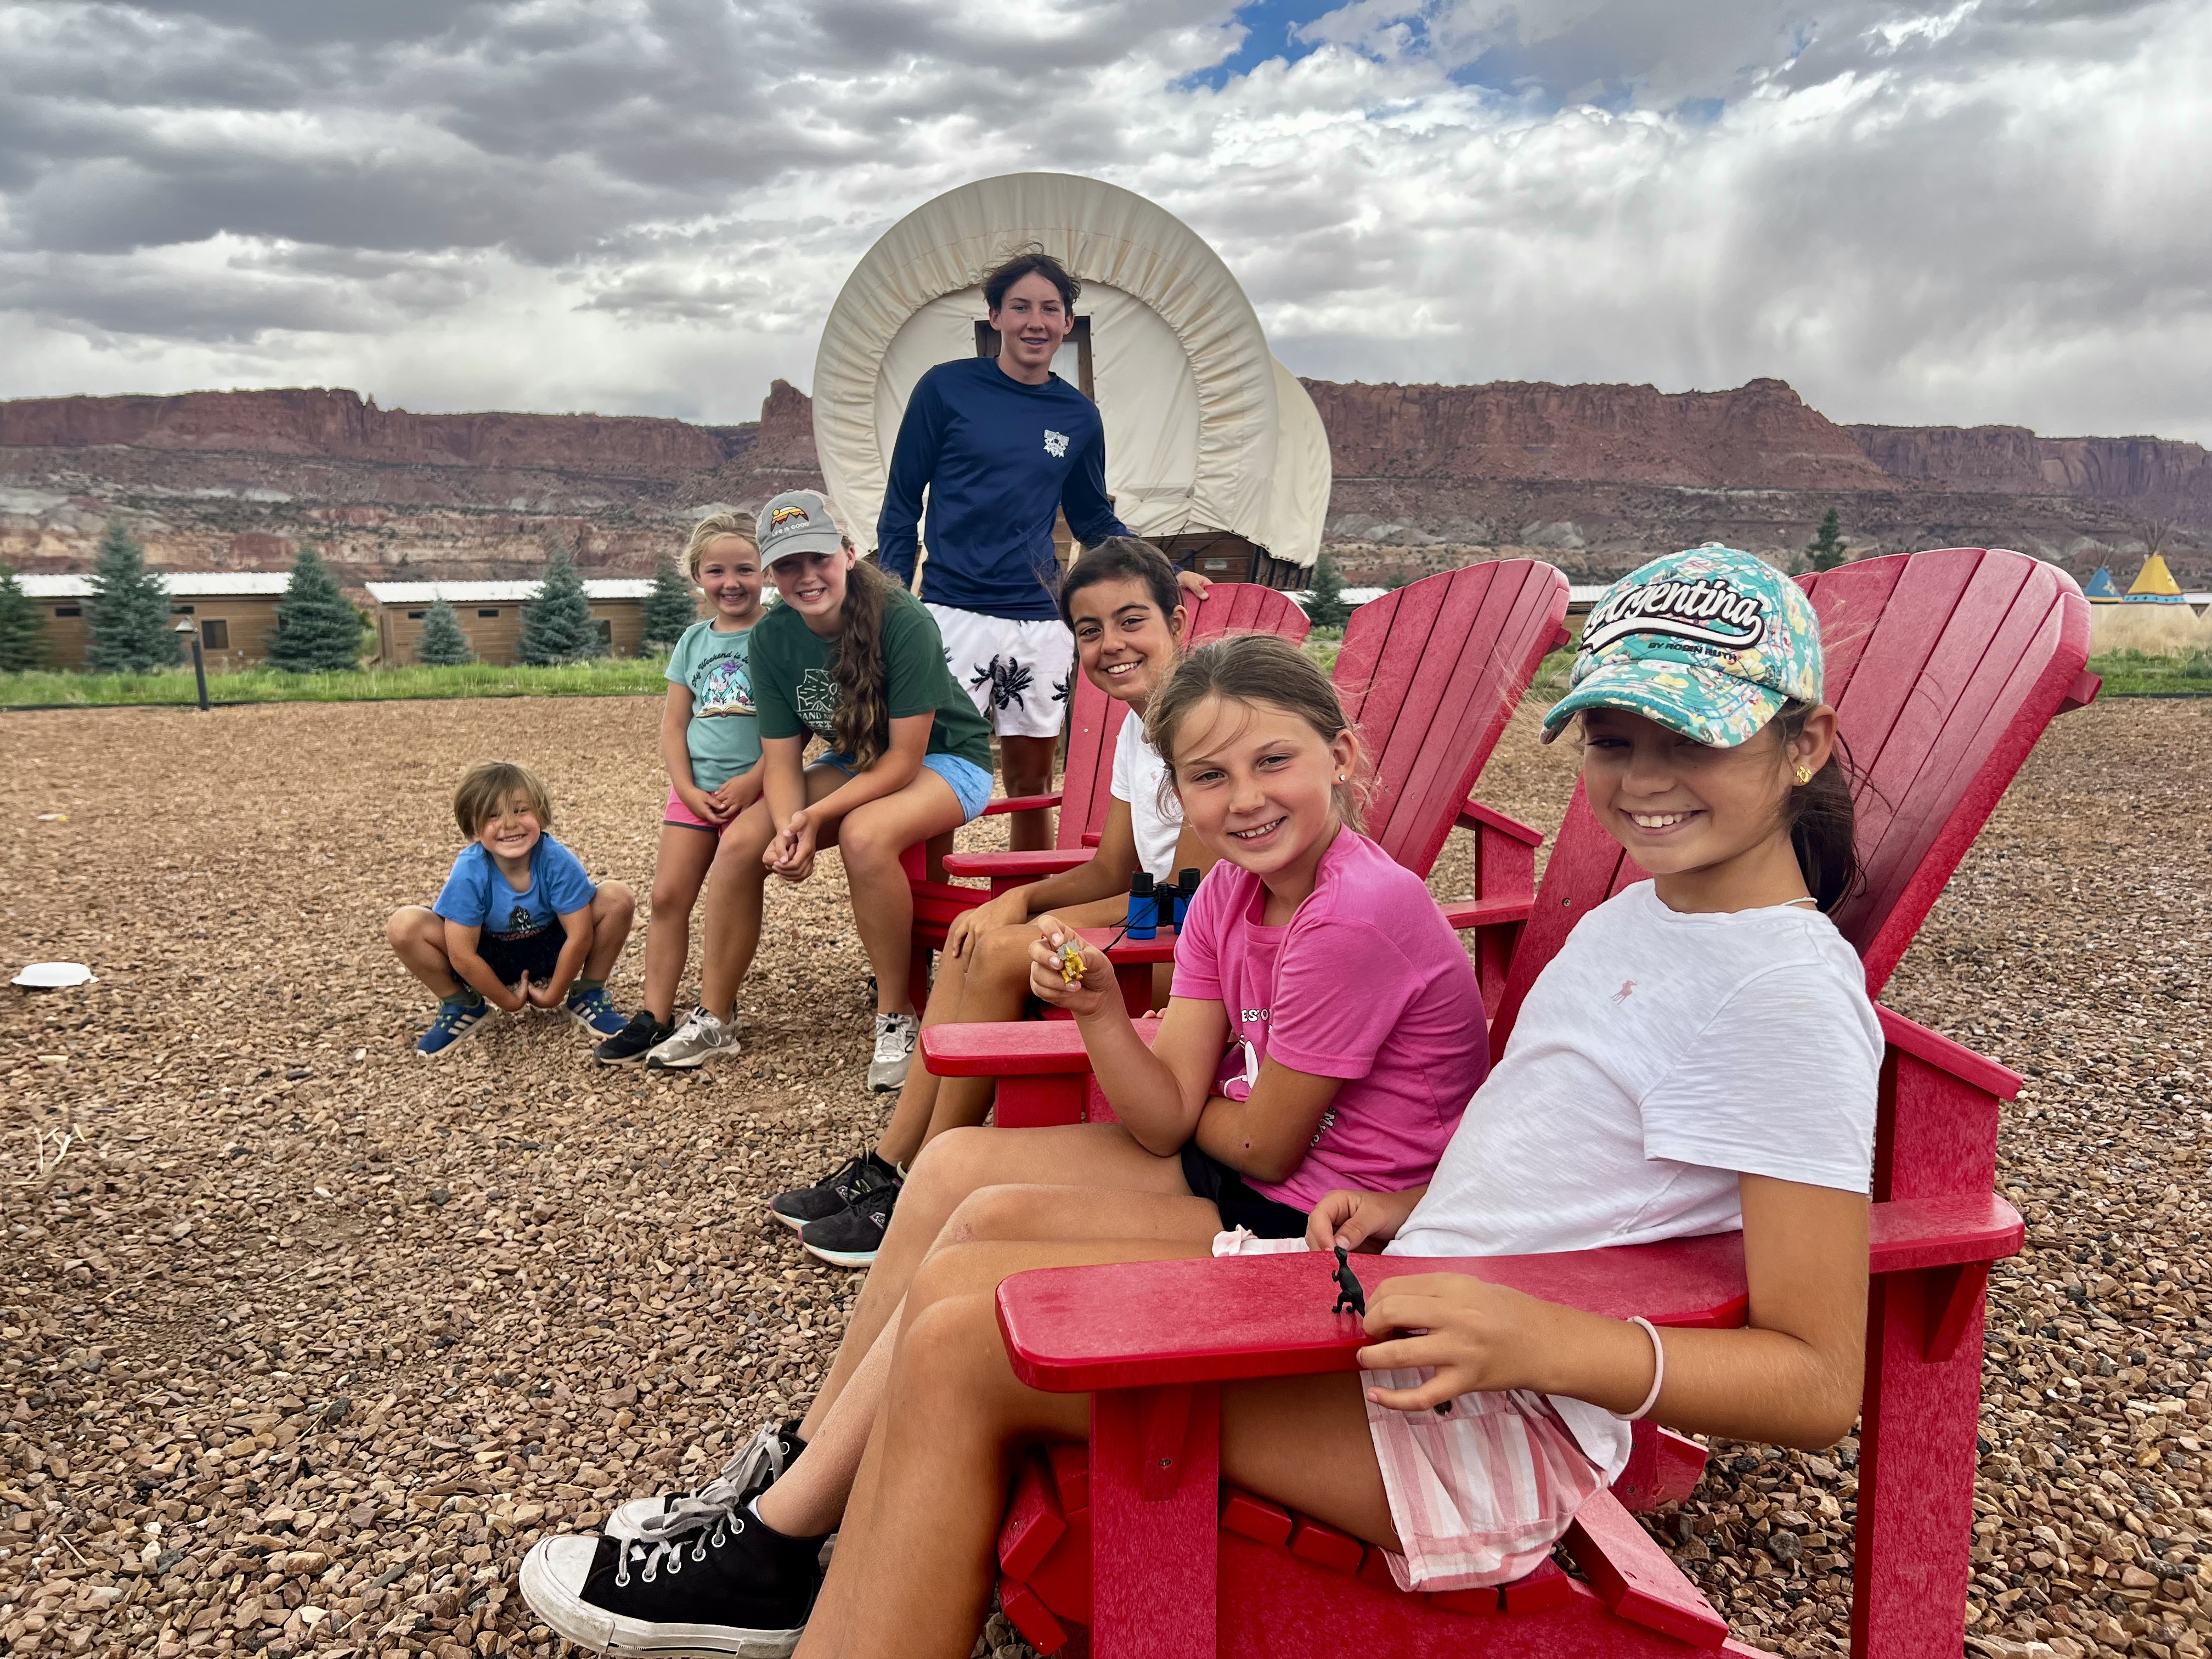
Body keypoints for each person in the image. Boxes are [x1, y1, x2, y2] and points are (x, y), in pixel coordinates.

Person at [518, 632, 1493, 1653]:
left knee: (972, 1275)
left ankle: (771, 1539)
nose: (1243, 796)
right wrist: (1106, 1014)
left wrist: (1184, 1076)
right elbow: (1167, 1116)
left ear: (1340, 754)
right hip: (1249, 1180)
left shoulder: (1357, 911)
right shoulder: (1232, 894)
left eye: (1273, 760)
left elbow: (1261, 1145)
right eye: (1208, 775)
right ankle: (795, 1476)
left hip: (1322, 1238)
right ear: (1177, 793)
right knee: (952, 1169)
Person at [769, 537, 1214, 1267]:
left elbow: (1189, 906)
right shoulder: (1143, 726)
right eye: (1090, 631)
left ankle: (921, 1185)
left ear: (1177, 623)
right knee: (982, 934)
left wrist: (1034, 919)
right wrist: (1018, 901)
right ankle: (893, 1164)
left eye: (1132, 621)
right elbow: (1112, 866)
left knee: (1003, 948)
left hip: (1204, 968)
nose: (1111, 645)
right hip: (1160, 929)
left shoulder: (1204, 729)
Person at [644, 490, 996, 1092]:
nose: (806, 576)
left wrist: (817, 817)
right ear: (773, 574)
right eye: (787, 565)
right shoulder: (773, 637)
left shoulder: (902, 620)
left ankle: (896, 1017)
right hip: (856, 757)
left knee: (864, 834)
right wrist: (787, 826)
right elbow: (781, 760)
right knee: (740, 843)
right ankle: (716, 1018)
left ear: (849, 554)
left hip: (945, 758)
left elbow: (905, 761)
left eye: (818, 557)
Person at [876, 249, 1131, 854]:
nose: (1035, 322)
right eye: (1020, 307)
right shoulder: (946, 389)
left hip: (1037, 620)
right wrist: (889, 599)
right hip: (950, 612)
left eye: (1050, 309)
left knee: (1030, 782)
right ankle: (929, 929)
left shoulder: (1078, 416)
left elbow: (1093, 516)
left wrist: (1161, 571)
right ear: (995, 316)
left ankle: (1025, 933)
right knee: (932, 775)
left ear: (1069, 323)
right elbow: (902, 501)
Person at [595, 515, 770, 1063]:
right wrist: (686, 787)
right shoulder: (694, 641)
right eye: (716, 571)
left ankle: (721, 1008)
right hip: (695, 791)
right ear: (698, 575)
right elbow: (675, 723)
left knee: (733, 889)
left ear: (765, 571)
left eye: (745, 568)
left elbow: (798, 724)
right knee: (668, 897)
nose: (732, 582)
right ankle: (654, 1015)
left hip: (757, 790)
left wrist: (753, 782)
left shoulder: (780, 634)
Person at [387, 760, 636, 1057]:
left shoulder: (557, 860)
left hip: (551, 947)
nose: (509, 824)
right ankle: (462, 1006)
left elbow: (579, 936)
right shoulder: (470, 870)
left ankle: (589, 993)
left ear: (541, 814)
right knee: (405, 925)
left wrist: (553, 995)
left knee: (617, 897)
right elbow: (463, 954)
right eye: (493, 816)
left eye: (521, 810)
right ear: (473, 830)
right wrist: (508, 1001)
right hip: (489, 952)